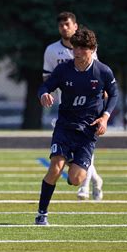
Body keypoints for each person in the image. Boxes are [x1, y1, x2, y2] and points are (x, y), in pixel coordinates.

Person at [36, 28, 118, 225]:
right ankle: (41, 214)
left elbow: (114, 94)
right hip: (65, 126)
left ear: (93, 49)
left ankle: (74, 162)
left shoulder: (103, 71)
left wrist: (105, 117)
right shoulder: (64, 69)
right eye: (75, 48)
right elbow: (45, 86)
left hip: (88, 131)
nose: (78, 53)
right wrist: (44, 94)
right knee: (55, 168)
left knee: (76, 180)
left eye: (83, 49)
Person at [43, 11, 103, 200]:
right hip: (66, 108)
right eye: (61, 25)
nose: (64, 28)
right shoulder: (52, 50)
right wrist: (47, 91)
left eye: (68, 24)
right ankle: (94, 180)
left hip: (87, 110)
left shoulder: (86, 47)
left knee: (84, 145)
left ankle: (84, 187)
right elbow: (47, 78)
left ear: (76, 26)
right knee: (65, 158)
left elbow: (98, 75)